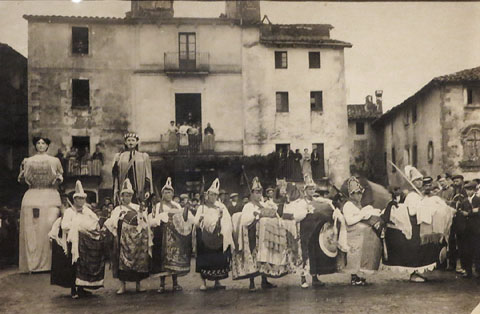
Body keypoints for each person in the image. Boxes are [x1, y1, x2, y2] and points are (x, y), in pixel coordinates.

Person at [383, 166, 453, 282]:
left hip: (420, 225)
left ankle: (417, 273)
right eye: (417, 181)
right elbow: (412, 211)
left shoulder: (418, 194)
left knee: (420, 250)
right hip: (414, 226)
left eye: (421, 180)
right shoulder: (411, 195)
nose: (420, 182)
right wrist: (424, 205)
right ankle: (413, 274)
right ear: (412, 182)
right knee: (415, 250)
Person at [285, 174, 343, 288]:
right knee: (304, 254)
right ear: (305, 190)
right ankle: (303, 279)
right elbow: (296, 216)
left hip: (315, 231)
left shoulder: (318, 200)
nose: (311, 191)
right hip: (304, 231)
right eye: (309, 189)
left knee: (314, 254)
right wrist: (306, 212)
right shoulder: (301, 202)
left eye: (312, 188)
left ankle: (315, 278)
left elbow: (328, 204)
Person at [51, 181, 106, 298]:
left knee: (83, 265)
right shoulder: (69, 212)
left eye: (82, 199)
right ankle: (73, 290)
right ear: (75, 200)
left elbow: (95, 222)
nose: (81, 201)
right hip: (73, 242)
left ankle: (81, 288)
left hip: (85, 243)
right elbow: (65, 225)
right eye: (79, 199)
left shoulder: (87, 211)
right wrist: (77, 225)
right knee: (73, 265)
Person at [17, 136, 63, 273]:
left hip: (50, 196)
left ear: (47, 146)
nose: (41, 145)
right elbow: (21, 180)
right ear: (35, 146)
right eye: (38, 143)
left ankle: (49, 264)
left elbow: (60, 176)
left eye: (43, 143)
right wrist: (23, 176)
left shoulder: (54, 161)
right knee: (32, 230)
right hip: (32, 196)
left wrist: (58, 179)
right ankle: (32, 264)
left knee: (50, 226)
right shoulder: (27, 161)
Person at [232, 177, 284, 291]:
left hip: (263, 235)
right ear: (252, 193)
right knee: (253, 258)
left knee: (263, 257)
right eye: (256, 192)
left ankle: (264, 281)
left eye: (260, 192)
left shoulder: (264, 204)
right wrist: (256, 216)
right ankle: (252, 282)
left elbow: (273, 213)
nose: (258, 194)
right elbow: (245, 221)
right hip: (251, 234)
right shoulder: (248, 206)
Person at [105, 179, 150, 294]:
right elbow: (111, 222)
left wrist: (141, 213)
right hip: (122, 239)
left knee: (138, 260)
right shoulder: (117, 209)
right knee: (122, 262)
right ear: (122, 196)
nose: (128, 197)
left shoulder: (136, 206)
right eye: (126, 195)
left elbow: (144, 220)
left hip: (137, 238)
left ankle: (138, 285)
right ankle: (122, 285)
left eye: (130, 195)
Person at [149, 178, 194, 293]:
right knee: (161, 260)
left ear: (173, 194)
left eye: (169, 192)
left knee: (174, 259)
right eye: (165, 192)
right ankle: (162, 284)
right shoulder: (157, 206)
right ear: (162, 194)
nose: (167, 194)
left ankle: (175, 283)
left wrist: (186, 210)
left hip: (175, 238)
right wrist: (160, 218)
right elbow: (152, 220)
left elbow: (184, 218)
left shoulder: (177, 206)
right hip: (162, 236)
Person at [194, 179, 234, 291]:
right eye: (211, 195)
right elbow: (196, 223)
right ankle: (203, 282)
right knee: (204, 259)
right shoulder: (202, 207)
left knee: (217, 260)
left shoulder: (221, 207)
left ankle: (217, 281)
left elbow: (227, 219)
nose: (213, 197)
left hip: (218, 237)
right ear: (207, 195)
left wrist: (223, 225)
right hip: (205, 238)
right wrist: (200, 220)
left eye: (215, 195)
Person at [342, 176, 383, 286]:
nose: (359, 196)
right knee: (356, 250)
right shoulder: (348, 205)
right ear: (351, 195)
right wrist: (361, 215)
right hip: (351, 232)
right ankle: (354, 276)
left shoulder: (358, 205)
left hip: (359, 231)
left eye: (360, 193)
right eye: (357, 193)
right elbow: (349, 221)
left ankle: (361, 273)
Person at [112, 133, 153, 205]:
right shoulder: (120, 156)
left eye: (133, 140)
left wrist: (147, 190)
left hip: (139, 188)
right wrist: (116, 162)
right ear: (125, 142)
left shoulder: (143, 156)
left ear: (137, 142)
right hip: (124, 187)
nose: (131, 142)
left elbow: (147, 175)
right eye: (129, 140)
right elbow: (115, 174)